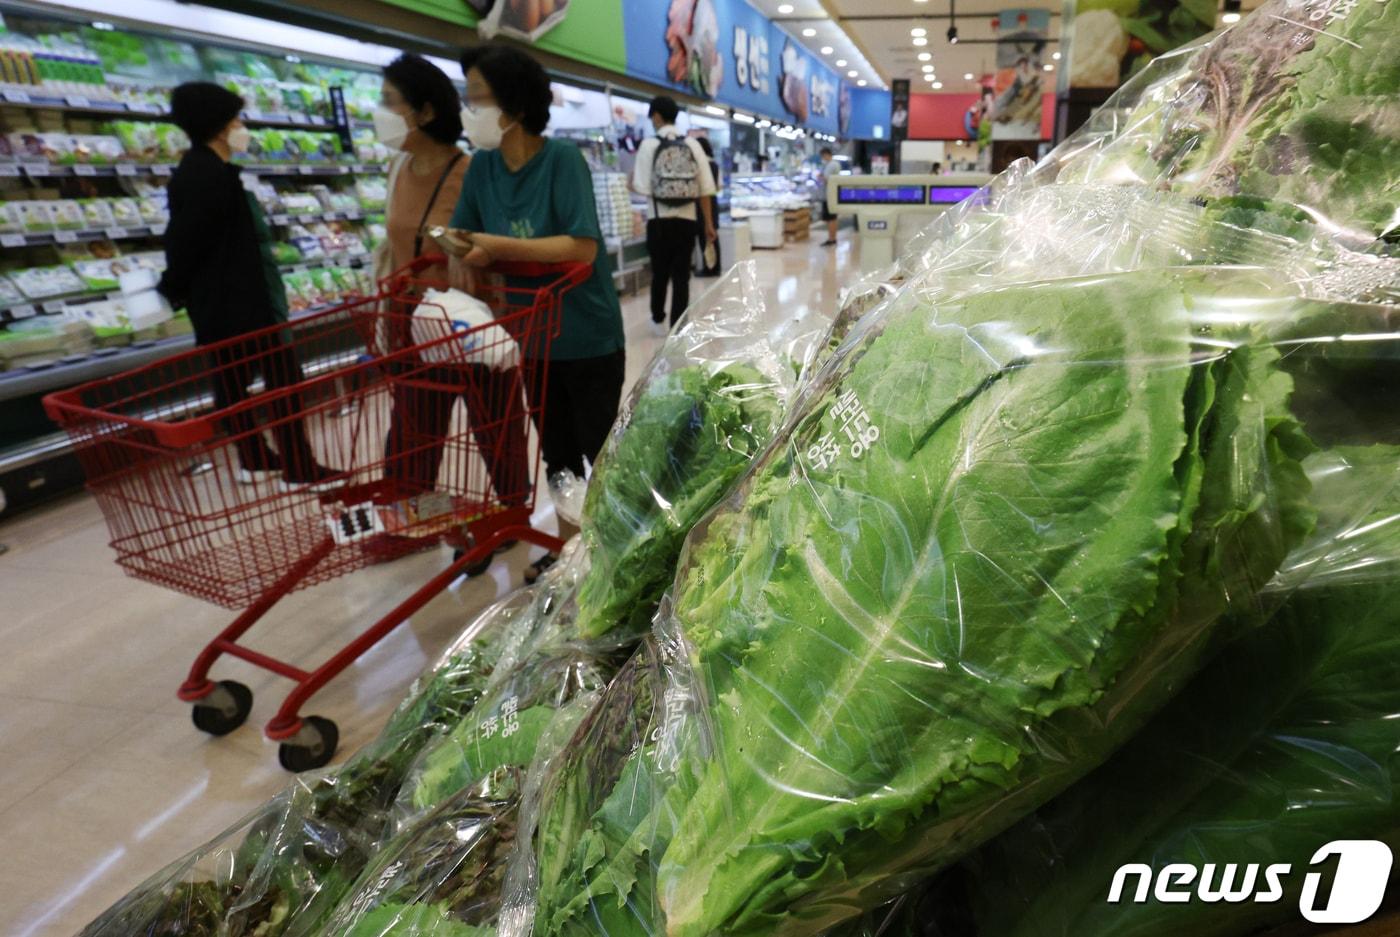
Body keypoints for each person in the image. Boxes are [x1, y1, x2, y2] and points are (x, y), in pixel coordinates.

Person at [436, 44, 627, 583]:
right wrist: (459, 249)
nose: (468, 111)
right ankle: (571, 553)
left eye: (477, 99)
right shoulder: (482, 169)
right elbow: (463, 232)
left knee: (602, 453)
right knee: (558, 455)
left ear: (514, 104)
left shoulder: (561, 161)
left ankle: (616, 552)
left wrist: (493, 245)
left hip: (587, 333)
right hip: (531, 336)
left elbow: (580, 248)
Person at [158, 82, 337, 489]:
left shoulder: (202, 170)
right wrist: (172, 286)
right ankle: (297, 466)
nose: (242, 126)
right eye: (237, 119)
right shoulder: (208, 177)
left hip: (224, 302)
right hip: (240, 301)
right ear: (221, 127)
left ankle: (255, 458)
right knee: (283, 380)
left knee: (233, 381)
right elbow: (186, 241)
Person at [374, 54, 529, 515]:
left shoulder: (471, 172)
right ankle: (410, 511)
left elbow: (497, 245)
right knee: (414, 424)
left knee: (494, 423)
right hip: (411, 315)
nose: (380, 112)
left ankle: (511, 509)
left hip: (469, 316)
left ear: (425, 112)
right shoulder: (398, 169)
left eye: (389, 101)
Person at [631, 95, 717, 329]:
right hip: (687, 221)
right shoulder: (692, 145)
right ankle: (678, 326)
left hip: (658, 220)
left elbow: (641, 187)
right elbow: (706, 189)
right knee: (682, 277)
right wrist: (709, 224)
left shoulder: (649, 145)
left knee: (659, 273)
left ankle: (657, 317)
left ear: (656, 116)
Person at [694, 136, 722, 277]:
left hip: (701, 204)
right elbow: (718, 187)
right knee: (713, 237)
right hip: (713, 203)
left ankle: (708, 268)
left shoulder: (699, 164)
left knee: (703, 237)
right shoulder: (715, 164)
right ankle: (715, 267)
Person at [819, 147, 842, 246]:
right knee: (832, 217)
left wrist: (820, 177)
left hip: (829, 195)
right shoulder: (835, 164)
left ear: (826, 154)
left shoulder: (831, 165)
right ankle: (832, 238)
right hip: (831, 194)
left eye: (823, 156)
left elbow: (827, 179)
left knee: (831, 218)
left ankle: (831, 238)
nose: (823, 158)